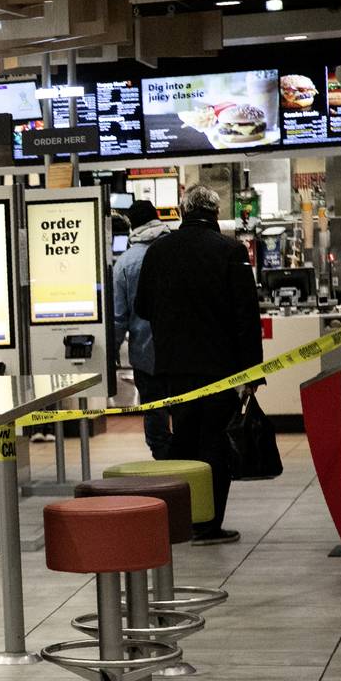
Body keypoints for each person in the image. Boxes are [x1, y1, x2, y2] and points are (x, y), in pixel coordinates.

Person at [135, 185, 263, 546]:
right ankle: (209, 525)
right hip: (220, 369)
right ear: (216, 211)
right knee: (215, 445)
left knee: (183, 442)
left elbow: (143, 307)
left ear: (181, 210)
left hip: (175, 367)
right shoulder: (229, 250)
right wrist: (253, 372)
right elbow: (246, 317)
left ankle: (181, 520)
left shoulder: (158, 251)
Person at [114, 200, 173, 460]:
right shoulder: (178, 250)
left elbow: (118, 317)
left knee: (155, 414)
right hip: (183, 351)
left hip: (145, 354)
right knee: (187, 409)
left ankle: (164, 463)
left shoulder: (126, 262)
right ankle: (189, 465)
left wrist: (111, 354)